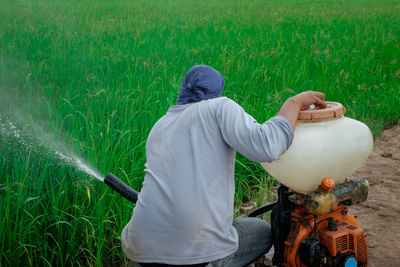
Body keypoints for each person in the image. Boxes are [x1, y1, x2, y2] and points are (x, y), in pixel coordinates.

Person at [121, 65, 326, 267]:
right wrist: (294, 102)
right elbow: (268, 145)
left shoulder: (161, 125)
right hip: (192, 253)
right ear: (216, 93)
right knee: (263, 231)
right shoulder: (218, 107)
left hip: (140, 246)